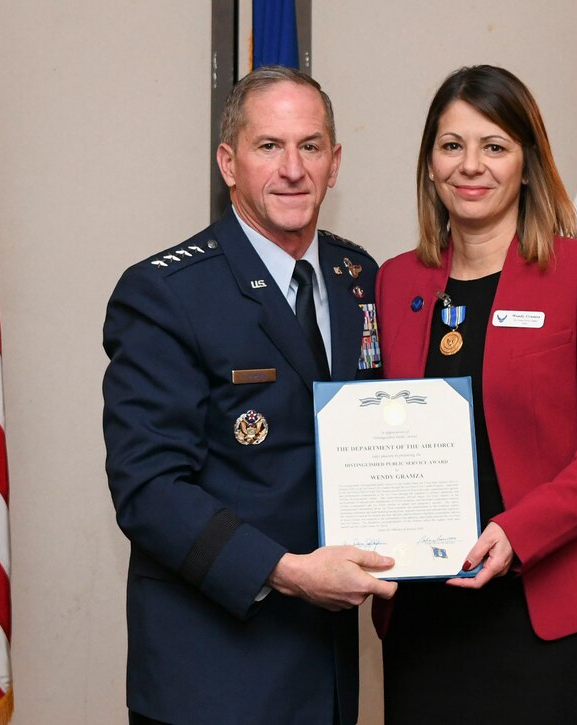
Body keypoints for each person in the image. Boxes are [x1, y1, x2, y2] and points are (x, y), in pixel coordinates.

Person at [102, 66, 397, 725]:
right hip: (211, 677)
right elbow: (148, 490)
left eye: (311, 146)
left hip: (325, 675)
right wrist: (290, 571)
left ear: (335, 161)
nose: (293, 169)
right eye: (269, 146)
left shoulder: (359, 280)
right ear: (228, 162)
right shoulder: (167, 294)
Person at [373, 65, 577, 723]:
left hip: (542, 610)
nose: (471, 165)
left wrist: (516, 532)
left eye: (494, 146)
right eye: (452, 145)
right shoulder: (394, 282)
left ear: (527, 164)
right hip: (424, 615)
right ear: (430, 163)